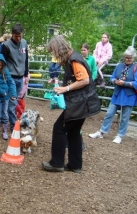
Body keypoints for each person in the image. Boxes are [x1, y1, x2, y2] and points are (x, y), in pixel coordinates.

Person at [41, 35, 100, 173]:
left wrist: (65, 89)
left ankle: (57, 163)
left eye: (54, 52)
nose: (54, 56)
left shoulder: (74, 60)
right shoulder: (73, 58)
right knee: (73, 132)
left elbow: (85, 80)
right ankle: (75, 165)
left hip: (79, 103)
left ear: (59, 49)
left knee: (59, 128)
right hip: (82, 102)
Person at [89, 46, 137, 144]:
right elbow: (112, 77)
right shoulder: (119, 66)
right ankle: (101, 132)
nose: (127, 59)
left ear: (133, 57)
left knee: (125, 117)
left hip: (129, 95)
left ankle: (120, 135)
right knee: (109, 114)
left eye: (129, 58)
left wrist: (125, 83)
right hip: (117, 94)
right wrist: (115, 81)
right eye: (126, 57)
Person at [1, 23, 29, 131]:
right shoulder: (6, 45)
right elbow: (2, 62)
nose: (18, 38)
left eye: (20, 36)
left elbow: (26, 59)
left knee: (14, 101)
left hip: (21, 77)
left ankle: (6, 119)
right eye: (16, 36)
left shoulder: (24, 43)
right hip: (10, 76)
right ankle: (13, 126)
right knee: (12, 102)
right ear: (12, 34)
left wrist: (26, 74)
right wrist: (4, 76)